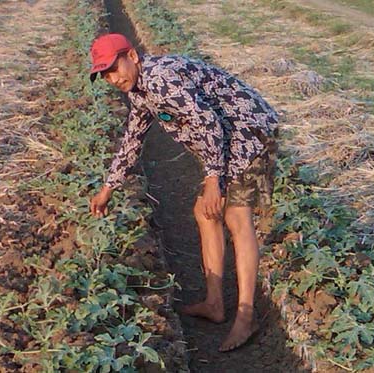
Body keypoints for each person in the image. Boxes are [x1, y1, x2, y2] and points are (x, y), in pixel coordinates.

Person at [88, 33, 278, 352]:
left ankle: (246, 317)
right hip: (228, 139)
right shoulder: (140, 91)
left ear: (132, 56)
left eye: (113, 68)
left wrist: (213, 179)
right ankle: (215, 304)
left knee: (235, 216)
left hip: (251, 133)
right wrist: (108, 187)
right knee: (204, 213)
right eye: (104, 74)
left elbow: (209, 125)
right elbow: (132, 140)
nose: (111, 78)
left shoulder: (162, 80)